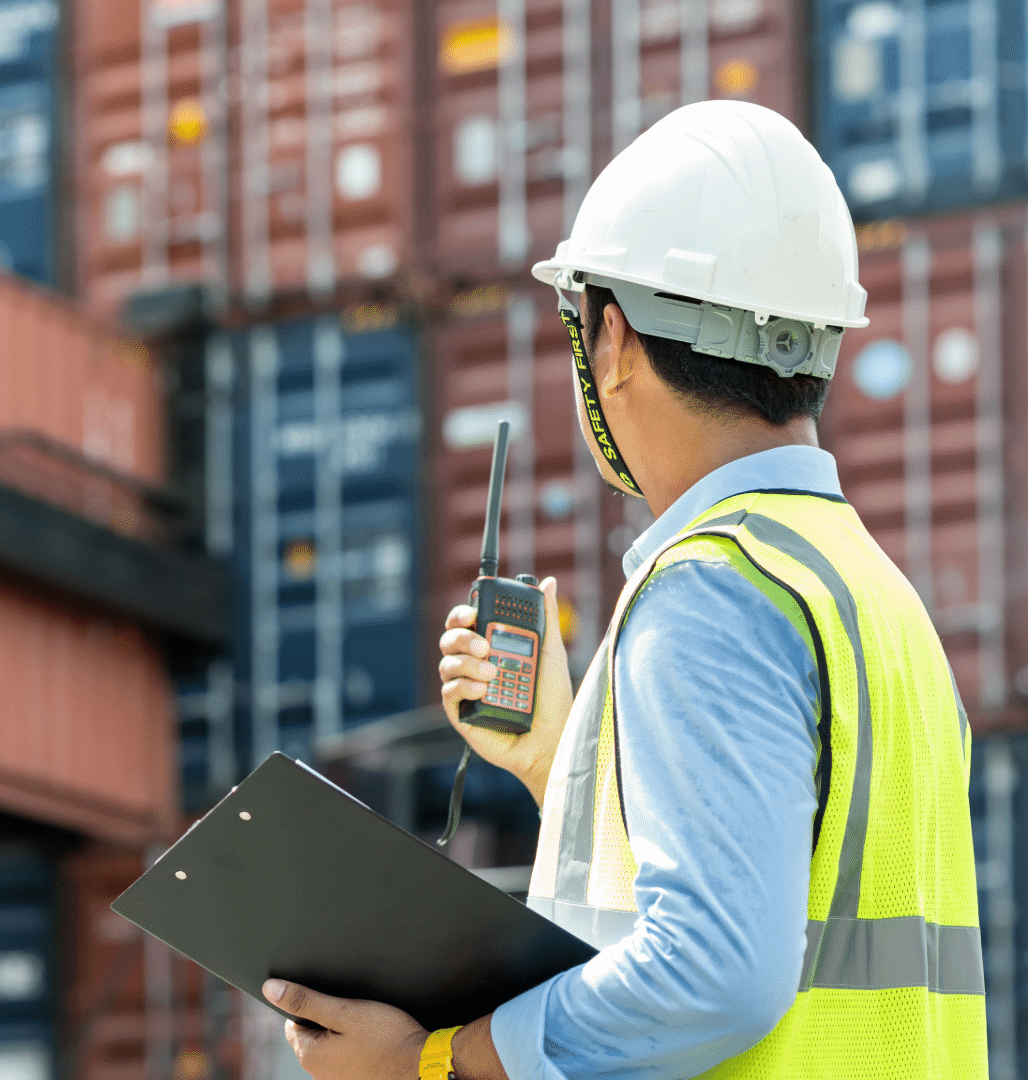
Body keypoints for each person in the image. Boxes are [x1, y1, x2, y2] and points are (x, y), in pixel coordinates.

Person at [263, 100, 983, 1079]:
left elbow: (716, 975)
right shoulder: (871, 595)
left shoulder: (711, 593)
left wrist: (436, 1063)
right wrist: (560, 761)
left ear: (610, 341)